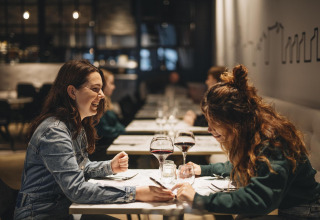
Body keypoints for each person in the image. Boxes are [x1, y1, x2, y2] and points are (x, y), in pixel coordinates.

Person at [14, 60, 175, 220]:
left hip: (63, 210)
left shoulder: (76, 124)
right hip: (40, 214)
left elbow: (81, 167)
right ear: (72, 92)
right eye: (95, 89)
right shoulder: (54, 132)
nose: (102, 95)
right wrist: (136, 193)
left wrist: (109, 166)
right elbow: (77, 190)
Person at [173, 64, 320, 219]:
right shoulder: (253, 130)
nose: (209, 129)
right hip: (286, 205)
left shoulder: (271, 141)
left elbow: (259, 199)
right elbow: (247, 166)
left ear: (232, 121)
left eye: (213, 122)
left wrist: (198, 200)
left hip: (305, 210)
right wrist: (203, 170)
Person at [90, 69, 125, 161]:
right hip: (103, 151)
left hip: (111, 145)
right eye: (111, 83)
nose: (114, 87)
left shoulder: (107, 103)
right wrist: (122, 130)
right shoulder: (95, 107)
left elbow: (117, 126)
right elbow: (104, 131)